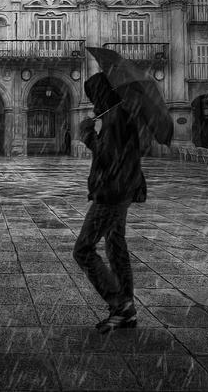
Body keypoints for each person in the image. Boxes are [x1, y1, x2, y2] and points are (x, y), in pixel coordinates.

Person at [74, 73, 144, 333]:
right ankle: (126, 312)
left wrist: (87, 134)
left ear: (102, 95)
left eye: (94, 97)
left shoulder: (116, 119)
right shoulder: (121, 115)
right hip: (124, 189)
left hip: (112, 193)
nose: (92, 104)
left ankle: (121, 303)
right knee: (115, 246)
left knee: (83, 250)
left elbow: (108, 156)